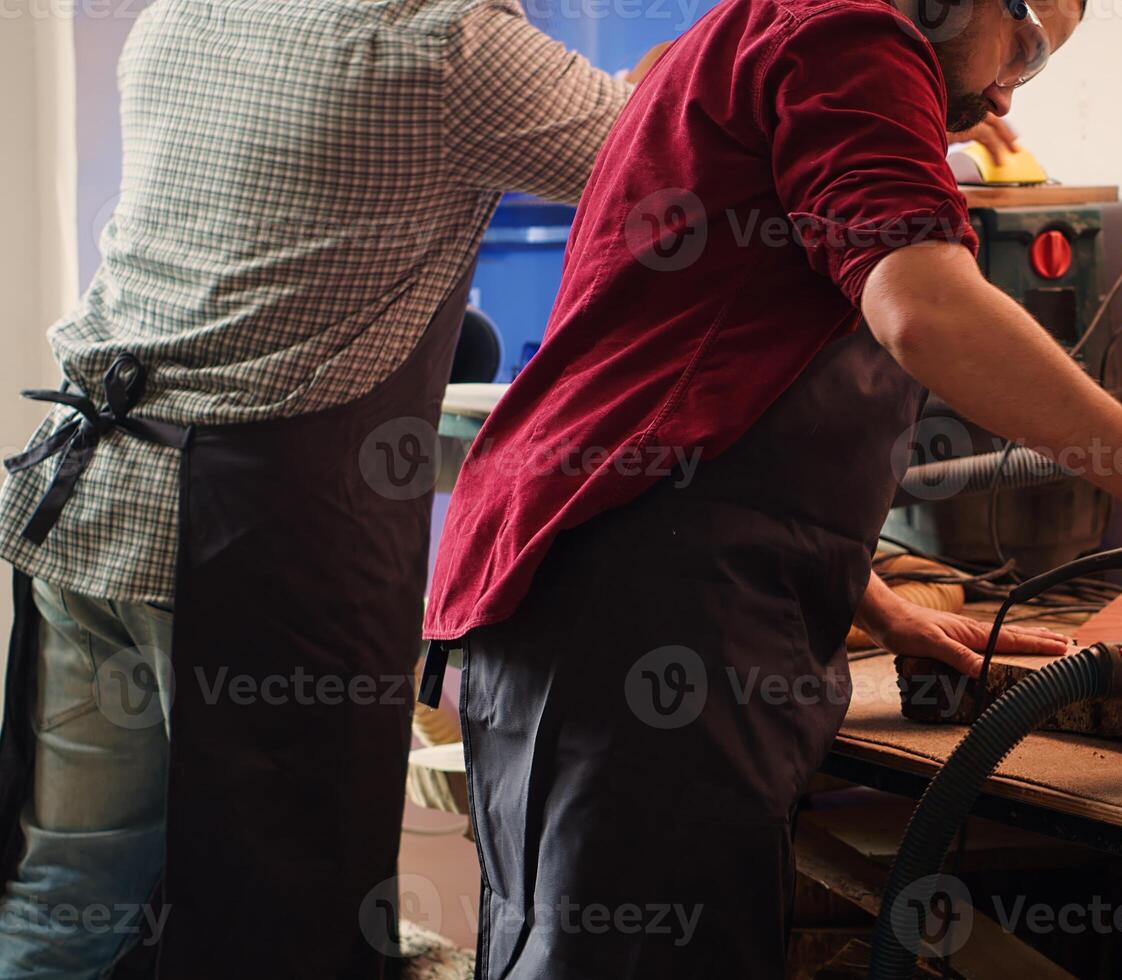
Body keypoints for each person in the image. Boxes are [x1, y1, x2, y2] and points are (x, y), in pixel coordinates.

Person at [423, 0, 1122, 975]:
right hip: (636, 611)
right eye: (1029, 48)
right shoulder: (852, 38)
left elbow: (709, 367)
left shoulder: (756, 34)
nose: (1007, 92)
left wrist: (866, 594)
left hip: (614, 589)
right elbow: (925, 310)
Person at [0, 1, 650, 976]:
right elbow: (672, 151)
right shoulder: (449, 45)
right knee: (284, 918)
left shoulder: (185, 12)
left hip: (83, 507)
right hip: (243, 550)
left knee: (71, 897)